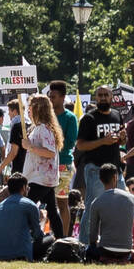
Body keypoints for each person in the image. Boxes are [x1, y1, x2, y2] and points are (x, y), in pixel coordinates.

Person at [75, 86, 125, 247]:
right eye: (100, 95)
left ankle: (113, 242)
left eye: (106, 95)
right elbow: (81, 145)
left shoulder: (117, 115)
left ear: (112, 97)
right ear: (95, 98)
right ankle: (84, 245)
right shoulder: (89, 118)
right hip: (95, 169)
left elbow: (121, 141)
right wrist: (102, 141)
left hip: (115, 169)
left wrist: (123, 139)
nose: (103, 98)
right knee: (92, 207)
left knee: (120, 205)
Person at [22, 94, 63, 238]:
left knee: (26, 207)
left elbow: (50, 153)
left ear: (37, 108)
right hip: (43, 177)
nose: (28, 111)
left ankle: (28, 237)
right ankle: (60, 238)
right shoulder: (39, 128)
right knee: (52, 210)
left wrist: (30, 147)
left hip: (41, 178)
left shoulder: (43, 129)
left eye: (30, 107)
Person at [0, 173, 45, 261]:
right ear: (24, 188)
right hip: (20, 253)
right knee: (50, 239)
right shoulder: (30, 205)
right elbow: (37, 234)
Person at [86, 164, 134, 263]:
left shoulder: (96, 202)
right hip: (127, 249)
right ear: (115, 177)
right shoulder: (132, 199)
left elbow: (92, 234)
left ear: (100, 179)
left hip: (106, 250)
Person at [48, 81, 80, 236]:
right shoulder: (46, 117)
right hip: (46, 164)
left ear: (63, 97)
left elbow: (70, 142)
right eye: (49, 96)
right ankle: (53, 235)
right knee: (49, 204)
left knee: (62, 203)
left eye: (53, 97)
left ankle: (65, 238)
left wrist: (50, 145)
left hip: (63, 165)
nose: (51, 100)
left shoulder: (70, 118)